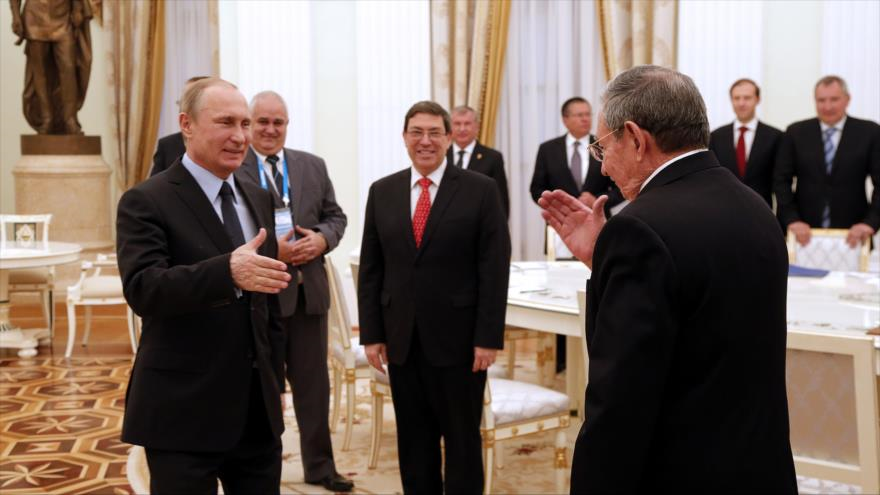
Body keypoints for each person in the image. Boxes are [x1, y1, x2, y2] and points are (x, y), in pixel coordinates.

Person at [539, 65, 796, 493]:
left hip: (679, 472)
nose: (603, 169)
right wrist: (603, 260)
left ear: (637, 139)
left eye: (603, 148)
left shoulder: (640, 228)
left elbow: (619, 398)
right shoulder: (754, 208)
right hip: (758, 466)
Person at [116, 77, 292, 493]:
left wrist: (275, 381)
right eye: (225, 122)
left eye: (245, 124)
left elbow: (269, 303)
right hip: (182, 410)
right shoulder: (146, 200)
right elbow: (144, 288)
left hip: (256, 414)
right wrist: (226, 272)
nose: (240, 136)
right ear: (187, 125)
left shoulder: (259, 197)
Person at [358, 101, 510, 494]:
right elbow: (373, 269)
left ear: (448, 138)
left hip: (461, 344)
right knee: (413, 442)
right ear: (405, 137)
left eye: (433, 133)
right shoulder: (382, 191)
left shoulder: (480, 189)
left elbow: (493, 268)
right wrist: (372, 334)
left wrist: (488, 337)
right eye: (416, 132)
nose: (425, 141)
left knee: (461, 443)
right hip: (402, 341)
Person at [235, 91, 352, 492]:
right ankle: (260, 472)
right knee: (263, 393)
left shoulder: (311, 166)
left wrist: (321, 239)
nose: (270, 130)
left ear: (287, 125)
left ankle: (321, 468)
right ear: (249, 124)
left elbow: (335, 216)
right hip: (259, 298)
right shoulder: (234, 168)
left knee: (314, 390)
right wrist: (273, 250)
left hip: (307, 296)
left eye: (278, 122)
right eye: (262, 121)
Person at [529, 97, 624, 372]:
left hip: (600, 227)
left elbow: (619, 183)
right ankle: (561, 360)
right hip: (560, 231)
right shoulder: (548, 149)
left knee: (594, 286)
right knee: (559, 291)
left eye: (587, 114)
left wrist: (598, 197)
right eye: (579, 115)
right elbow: (536, 188)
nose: (585, 119)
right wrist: (564, 204)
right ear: (565, 119)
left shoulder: (605, 143)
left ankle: (593, 354)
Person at [774, 75, 880, 248]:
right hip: (803, 235)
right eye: (821, 100)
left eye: (834, 99)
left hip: (855, 235)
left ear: (847, 99)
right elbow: (780, 181)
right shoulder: (795, 133)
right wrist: (792, 220)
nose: (827, 106)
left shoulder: (870, 132)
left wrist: (870, 223)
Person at [10, 0, 92, 134]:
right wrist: (15, 15)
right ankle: (47, 118)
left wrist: (78, 7)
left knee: (68, 68)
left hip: (63, 16)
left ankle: (70, 119)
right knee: (40, 72)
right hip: (35, 16)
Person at [708, 78, 783, 208]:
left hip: (761, 210)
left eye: (747, 98)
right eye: (736, 98)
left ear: (757, 99)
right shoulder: (716, 137)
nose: (741, 103)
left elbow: (780, 181)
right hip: (724, 209)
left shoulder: (775, 136)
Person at [446, 105, 510, 217]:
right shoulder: (441, 156)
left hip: (480, 223)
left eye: (467, 124)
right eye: (457, 124)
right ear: (450, 127)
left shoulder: (493, 157)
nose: (462, 129)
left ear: (477, 127)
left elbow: (501, 199)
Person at [149, 76, 209, 177]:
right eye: (182, 103)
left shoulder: (233, 144)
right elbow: (153, 188)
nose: (184, 109)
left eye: (192, 102)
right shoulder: (167, 145)